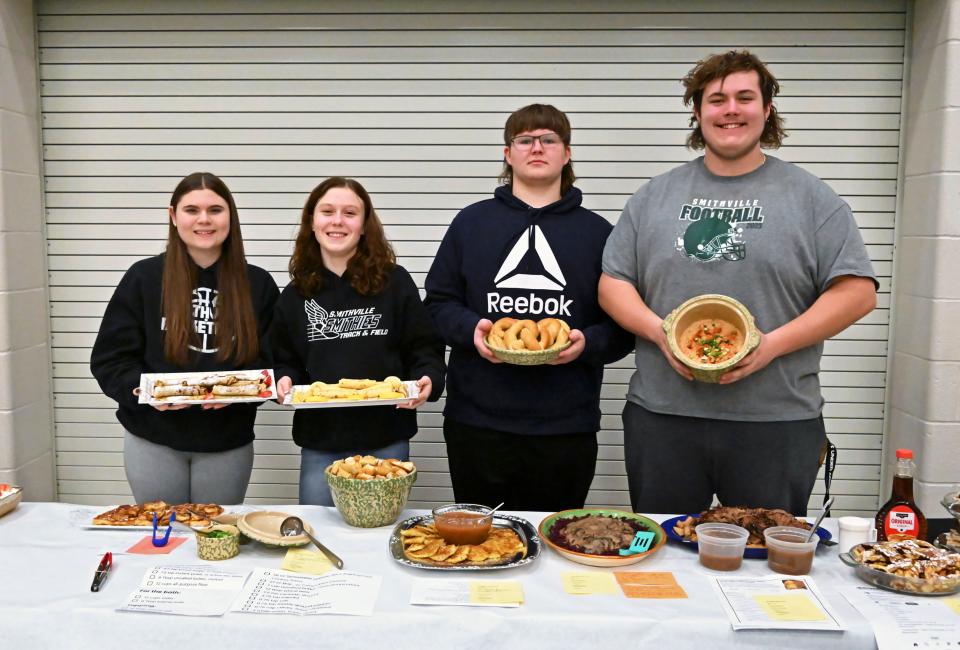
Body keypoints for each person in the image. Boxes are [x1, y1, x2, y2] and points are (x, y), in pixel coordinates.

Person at [599, 50, 878, 516]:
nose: (731, 109)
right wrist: (660, 334)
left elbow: (858, 292)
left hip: (776, 420)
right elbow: (613, 284)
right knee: (663, 563)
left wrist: (771, 345)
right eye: (717, 99)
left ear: (766, 111)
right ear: (698, 111)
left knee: (769, 563)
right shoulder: (654, 196)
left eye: (745, 98)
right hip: (664, 417)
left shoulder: (811, 197)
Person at [424, 104, 634, 512]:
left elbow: (623, 327)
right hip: (477, 425)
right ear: (508, 154)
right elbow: (437, 304)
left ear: (566, 153)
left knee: (555, 546)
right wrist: (473, 330)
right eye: (525, 140)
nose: (536, 148)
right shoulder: (471, 223)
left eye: (549, 139)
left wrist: (585, 344)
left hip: (565, 428)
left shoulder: (599, 233)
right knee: (481, 547)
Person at [90, 172, 279, 504]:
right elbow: (110, 359)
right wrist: (143, 390)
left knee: (217, 541)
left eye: (215, 210)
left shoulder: (258, 284)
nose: (203, 219)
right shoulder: (143, 279)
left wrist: (243, 392)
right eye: (192, 210)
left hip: (226, 443)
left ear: (230, 217)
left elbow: (273, 361)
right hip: (152, 439)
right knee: (162, 537)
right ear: (173, 216)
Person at [270, 177, 445, 506]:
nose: (337, 220)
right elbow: (284, 359)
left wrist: (429, 379)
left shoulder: (395, 283)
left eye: (350, 212)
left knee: (377, 536)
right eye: (327, 211)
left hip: (386, 440)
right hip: (321, 443)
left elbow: (425, 348)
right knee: (319, 537)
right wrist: (284, 380)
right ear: (312, 222)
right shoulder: (295, 296)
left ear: (364, 225)